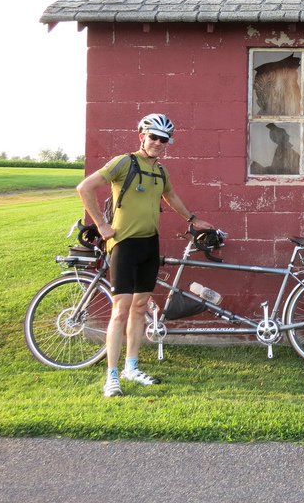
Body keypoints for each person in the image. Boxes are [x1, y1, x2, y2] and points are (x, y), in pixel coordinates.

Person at [77, 113, 214, 397]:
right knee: (120, 312)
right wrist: (101, 225)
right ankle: (111, 376)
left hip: (150, 245)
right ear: (142, 137)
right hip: (124, 245)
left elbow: (170, 196)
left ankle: (131, 367)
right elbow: (85, 187)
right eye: (153, 137)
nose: (158, 143)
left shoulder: (160, 171)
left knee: (140, 309)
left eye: (164, 139)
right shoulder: (123, 163)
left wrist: (193, 218)